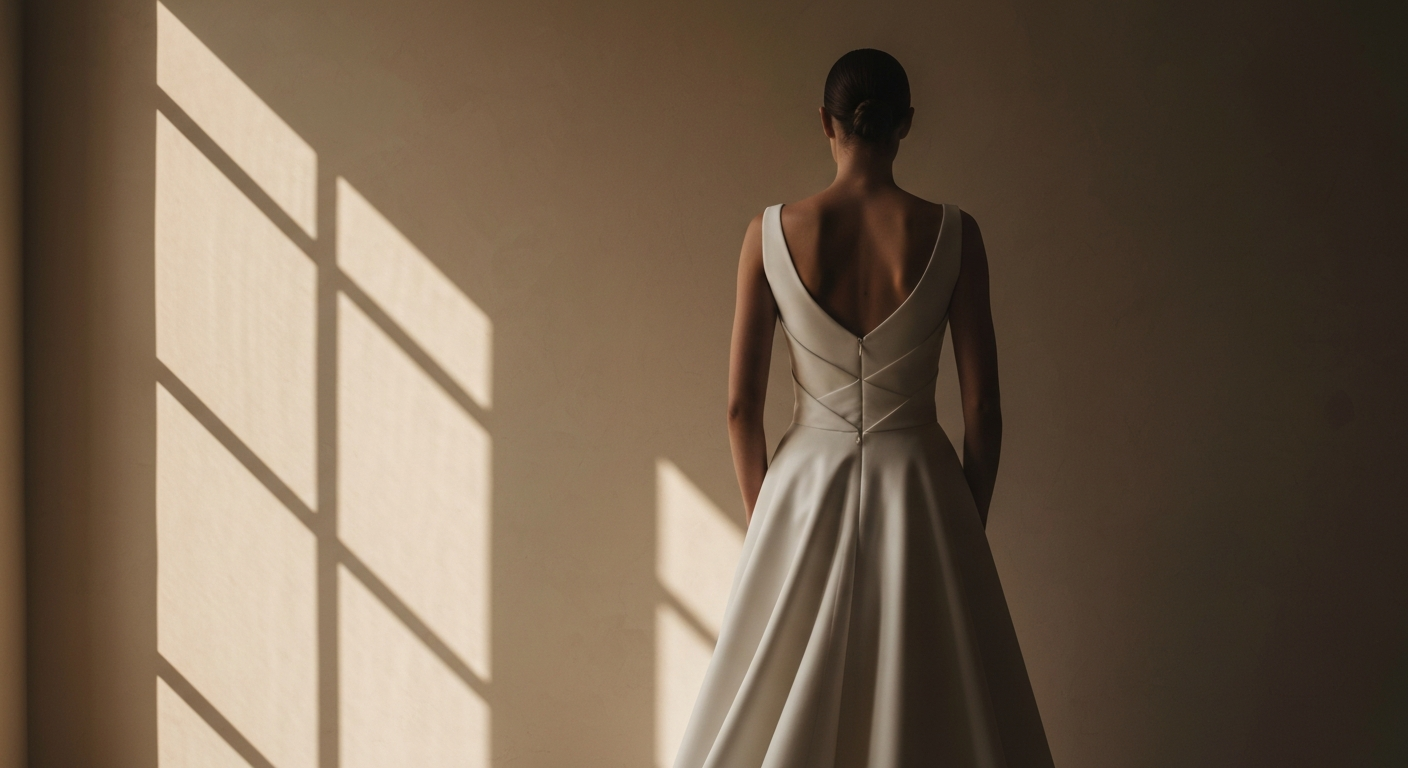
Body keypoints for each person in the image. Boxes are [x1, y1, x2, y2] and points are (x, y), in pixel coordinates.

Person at [670, 49, 1056, 767]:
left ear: (826, 122)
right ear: (906, 124)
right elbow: (986, 407)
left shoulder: (768, 234)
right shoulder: (956, 234)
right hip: (922, 485)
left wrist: (766, 518)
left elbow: (737, 407)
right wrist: (962, 518)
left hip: (801, 488)